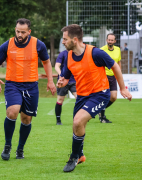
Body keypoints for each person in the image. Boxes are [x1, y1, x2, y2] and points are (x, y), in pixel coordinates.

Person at [57, 24, 132, 172]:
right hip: (82, 96)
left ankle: (74, 157)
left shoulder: (95, 53)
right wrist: (61, 82)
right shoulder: (69, 57)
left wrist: (122, 88)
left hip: (100, 94)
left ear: (75, 39)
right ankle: (81, 155)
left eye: (65, 39)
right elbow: (65, 77)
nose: (63, 42)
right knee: (77, 125)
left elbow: (115, 67)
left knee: (78, 121)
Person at [0, 18, 56, 160]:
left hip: (31, 86)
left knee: (26, 119)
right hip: (12, 84)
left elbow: (46, 62)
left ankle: (20, 149)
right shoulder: (7, 45)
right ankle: (7, 146)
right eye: (17, 31)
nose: (19, 34)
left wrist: (50, 81)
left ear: (29, 31)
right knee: (13, 111)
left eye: (23, 32)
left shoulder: (38, 44)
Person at [99, 33, 121, 123]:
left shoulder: (118, 50)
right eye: (109, 40)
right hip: (104, 76)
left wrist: (119, 74)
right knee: (105, 96)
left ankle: (99, 110)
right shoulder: (101, 50)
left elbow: (118, 62)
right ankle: (102, 117)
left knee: (113, 97)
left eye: (112, 40)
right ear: (106, 40)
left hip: (113, 76)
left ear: (115, 41)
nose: (110, 42)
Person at [54, 50, 77, 125]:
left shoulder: (77, 53)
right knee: (60, 100)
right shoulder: (63, 54)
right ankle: (58, 120)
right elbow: (57, 66)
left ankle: (78, 119)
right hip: (63, 81)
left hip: (74, 80)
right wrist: (61, 75)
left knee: (79, 99)